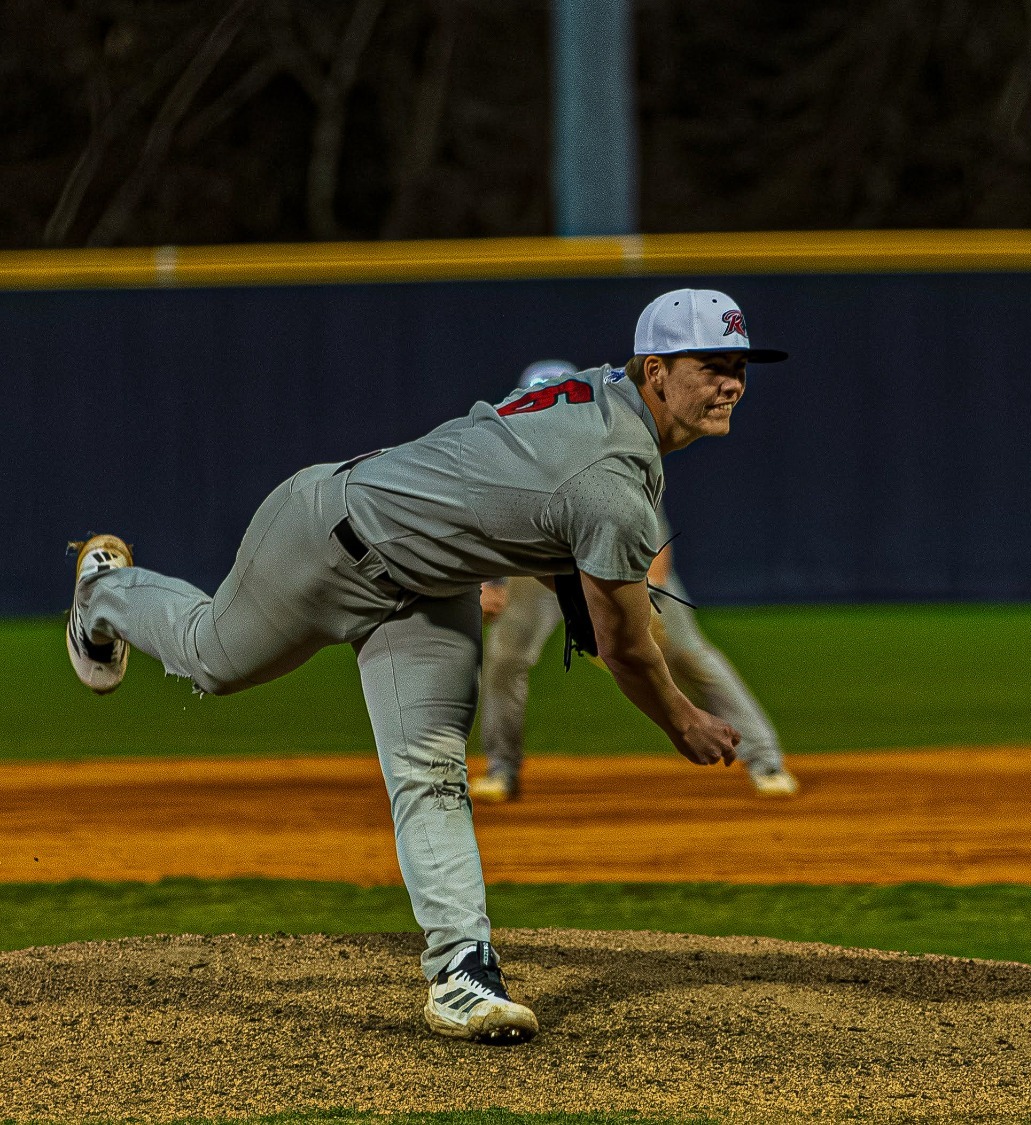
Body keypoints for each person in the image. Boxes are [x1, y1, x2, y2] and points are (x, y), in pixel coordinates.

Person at [64, 288, 784, 1045]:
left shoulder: (600, 391)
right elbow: (627, 648)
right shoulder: (613, 485)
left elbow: (519, 463)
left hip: (429, 588)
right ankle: (104, 590)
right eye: (713, 365)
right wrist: (683, 718)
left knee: (431, 771)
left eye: (740, 364)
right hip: (326, 538)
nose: (732, 381)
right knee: (212, 658)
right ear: (658, 370)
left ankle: (462, 973)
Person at [471, 361, 798, 802]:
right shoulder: (508, 457)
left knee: (688, 653)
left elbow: (651, 549)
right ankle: (502, 770)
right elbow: (485, 527)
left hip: (630, 569)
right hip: (535, 569)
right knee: (505, 658)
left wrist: (636, 611)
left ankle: (765, 759)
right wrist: (485, 586)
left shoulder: (615, 452)